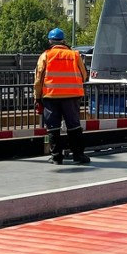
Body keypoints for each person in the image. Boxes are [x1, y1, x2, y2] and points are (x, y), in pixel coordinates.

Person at [35, 27, 89, 165]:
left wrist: (37, 97)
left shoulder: (45, 55)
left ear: (50, 41)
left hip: (51, 97)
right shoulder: (74, 55)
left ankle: (56, 157)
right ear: (63, 40)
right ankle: (78, 155)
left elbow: (38, 79)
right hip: (72, 96)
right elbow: (84, 75)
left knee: (53, 127)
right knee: (74, 126)